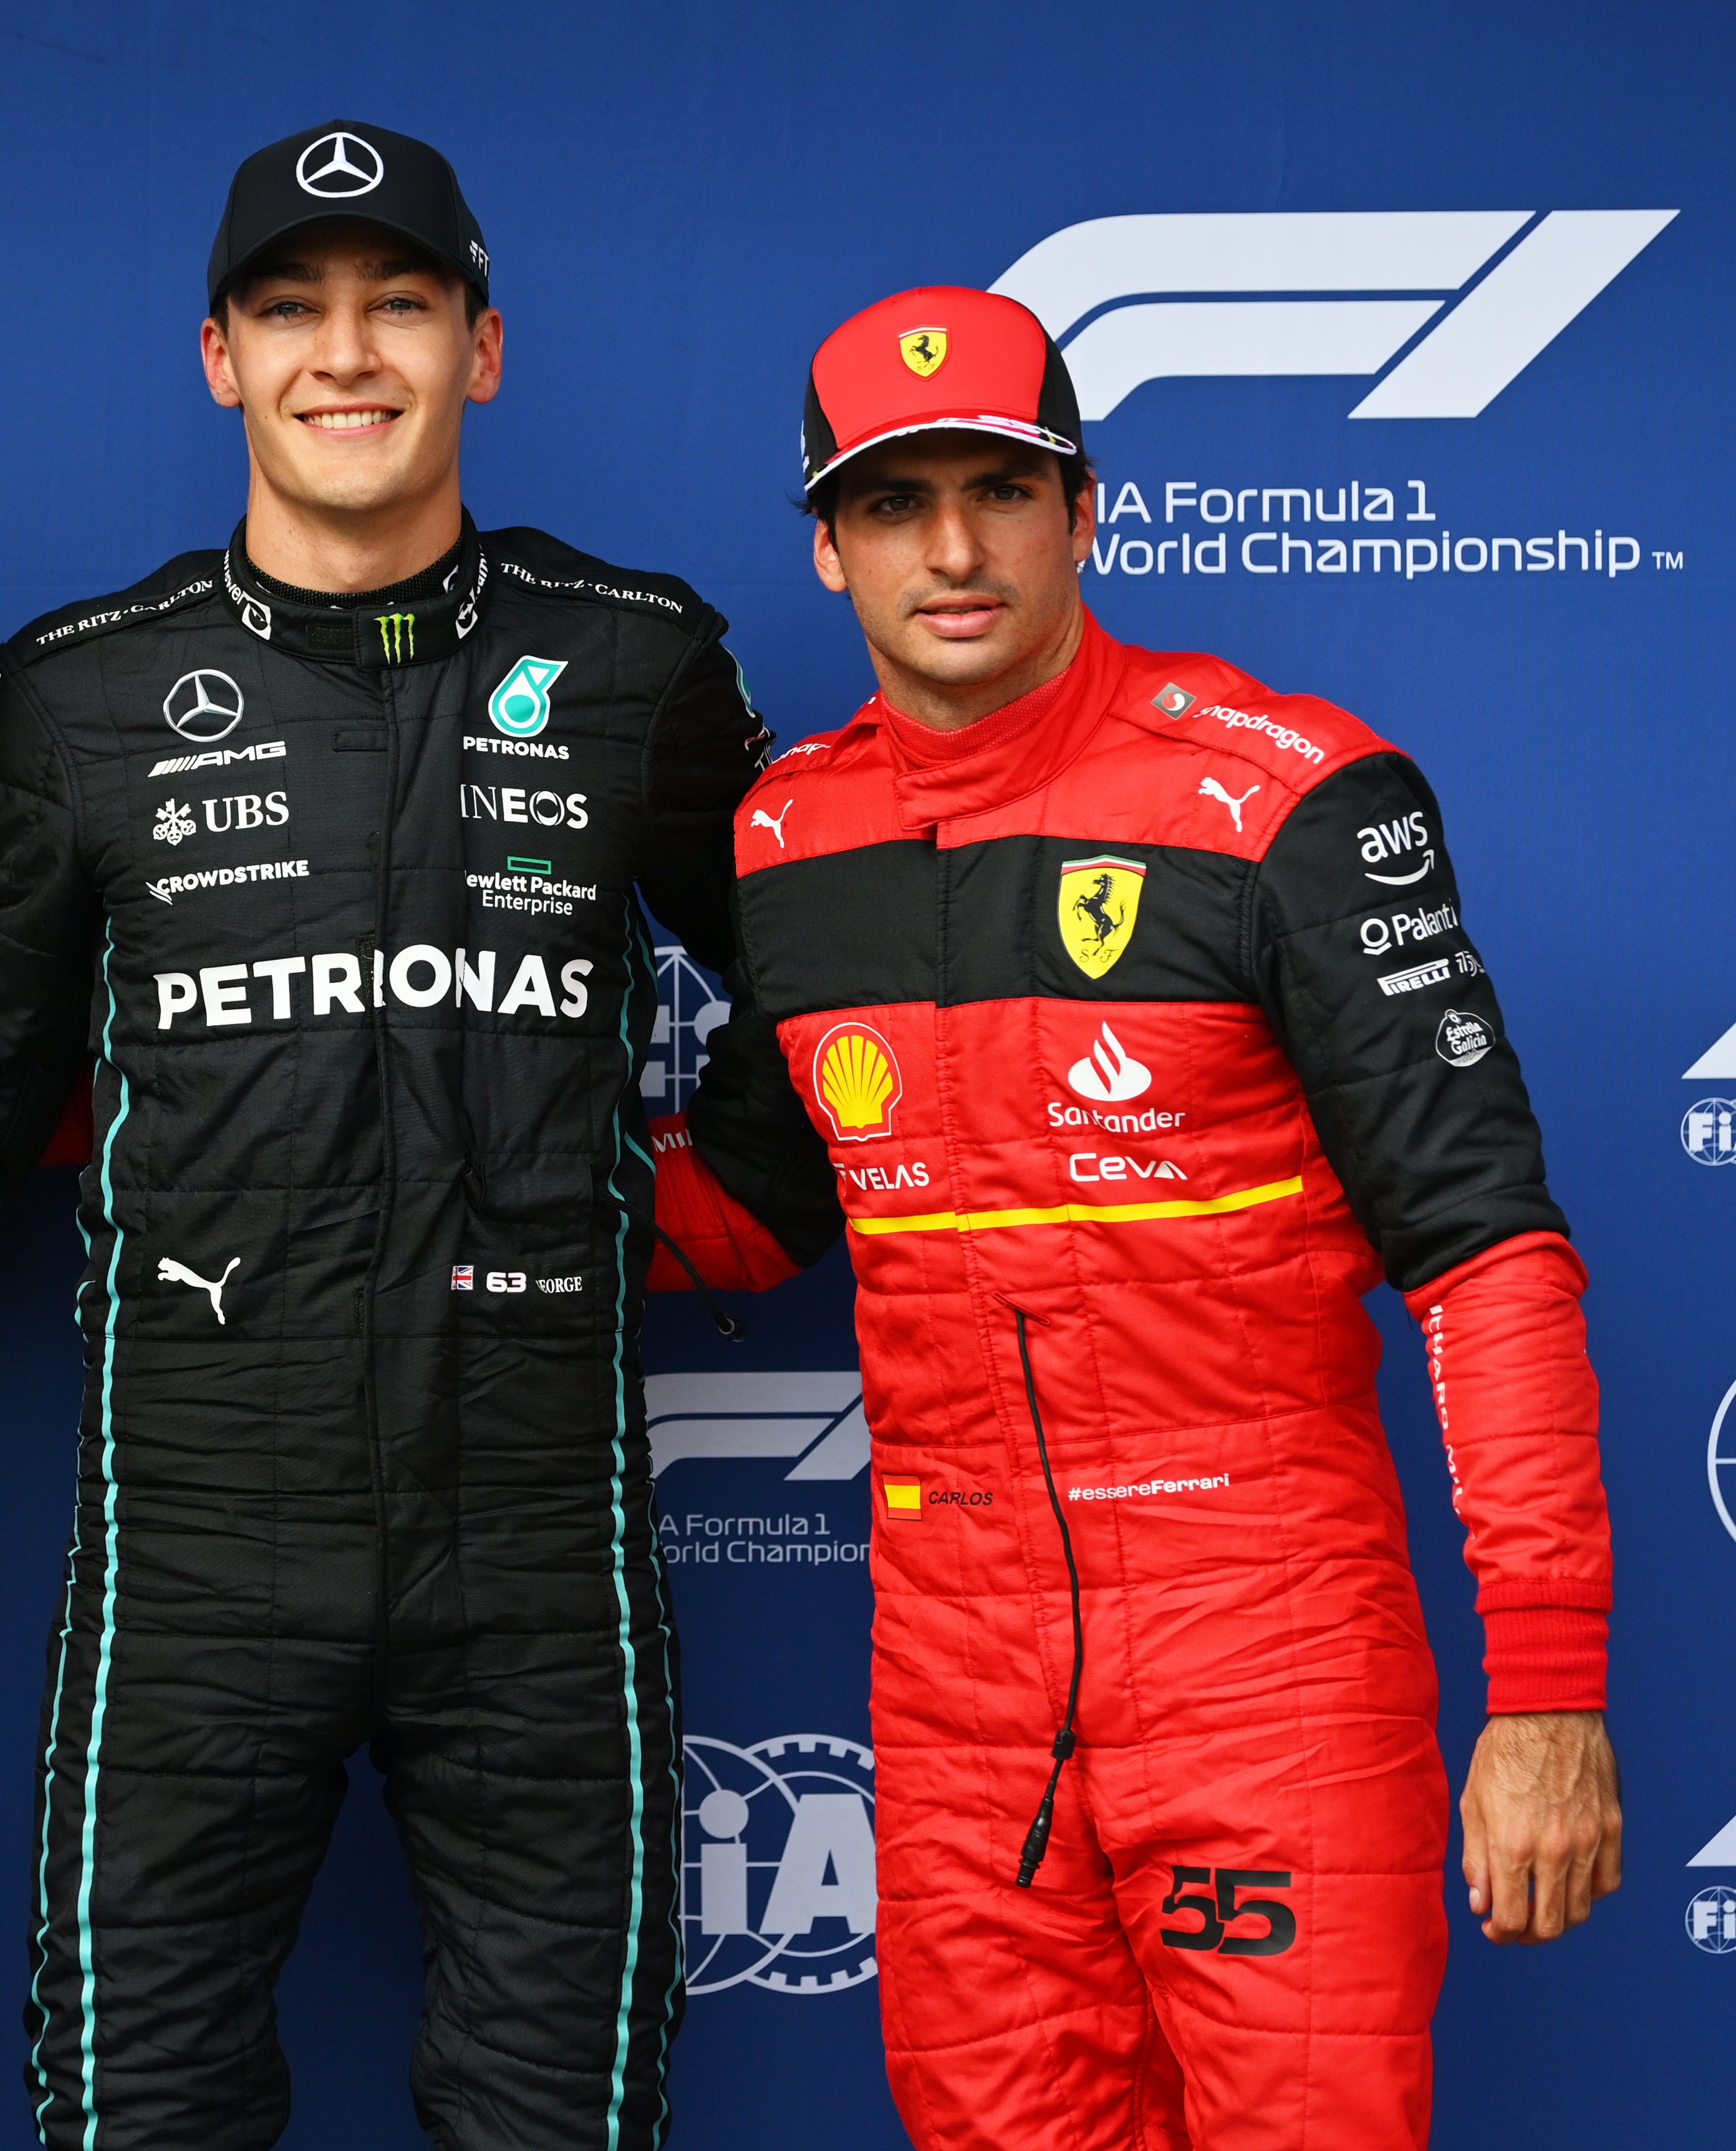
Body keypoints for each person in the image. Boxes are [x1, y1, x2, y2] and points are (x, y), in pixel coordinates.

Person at [0, 120, 768, 2151]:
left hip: (542, 1536)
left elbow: (831, 983)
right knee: (139, 2107)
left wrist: (713, 1217)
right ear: (219, 357)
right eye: (292, 310)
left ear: (483, 348)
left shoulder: (637, 664)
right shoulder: (80, 697)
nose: (344, 357)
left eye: (399, 307)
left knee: (564, 2115)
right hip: (196, 1537)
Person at [650, 286, 1622, 2150]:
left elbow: (1487, 1250)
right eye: (892, 500)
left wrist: (1551, 1685)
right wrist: (453, 1186)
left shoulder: (1292, 799)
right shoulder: (792, 844)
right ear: (831, 545)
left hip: (1266, 1644)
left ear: (1084, 510)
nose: (952, 546)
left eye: (1001, 488)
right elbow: (759, 1211)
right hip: (954, 1689)